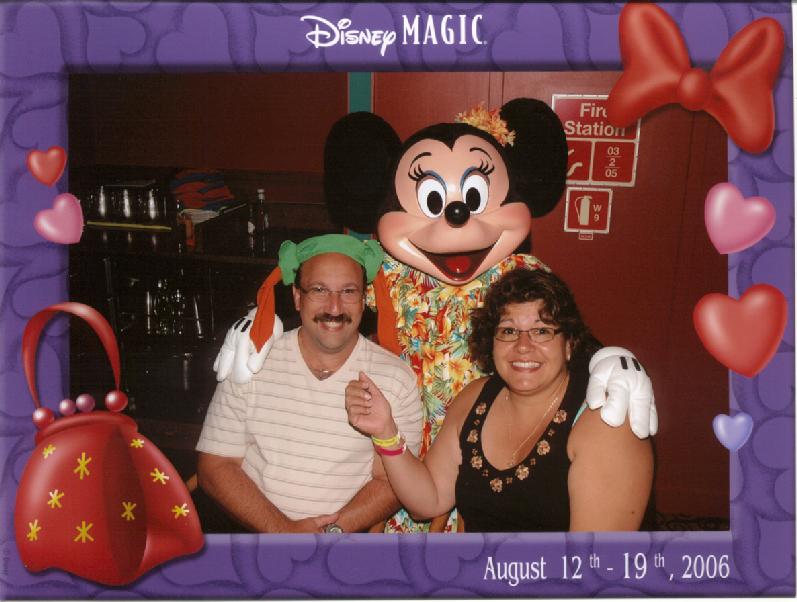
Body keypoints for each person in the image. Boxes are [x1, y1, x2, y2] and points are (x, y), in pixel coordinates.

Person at [345, 268, 653, 532]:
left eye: (541, 330)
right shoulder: (476, 397)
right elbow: (429, 502)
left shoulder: (604, 422)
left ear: (569, 344)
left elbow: (593, 566)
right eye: (508, 330)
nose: (523, 345)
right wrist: (386, 432)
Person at [196, 234, 423, 533]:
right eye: (319, 290)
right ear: (297, 297)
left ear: (364, 299)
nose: (334, 307)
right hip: (257, 538)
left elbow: (392, 483)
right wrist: (282, 531)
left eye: (348, 291)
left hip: (343, 545)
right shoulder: (252, 360)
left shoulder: (395, 378)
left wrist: (326, 535)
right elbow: (215, 466)